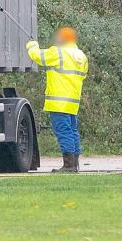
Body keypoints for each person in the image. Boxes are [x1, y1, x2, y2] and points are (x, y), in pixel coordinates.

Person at [26, 27, 89, 173]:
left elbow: (38, 56)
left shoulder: (58, 52)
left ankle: (68, 166)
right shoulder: (81, 56)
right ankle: (74, 164)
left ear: (63, 39)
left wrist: (32, 45)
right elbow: (82, 76)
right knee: (72, 131)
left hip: (59, 102)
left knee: (63, 132)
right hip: (73, 102)